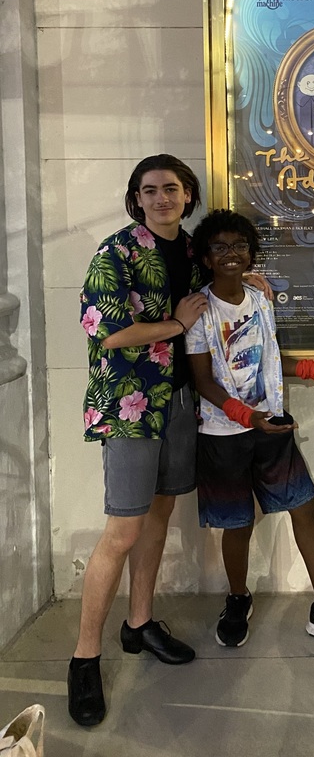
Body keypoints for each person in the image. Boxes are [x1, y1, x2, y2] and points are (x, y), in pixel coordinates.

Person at [185, 209, 314, 649]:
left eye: (240, 245)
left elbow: (272, 362)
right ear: (206, 257)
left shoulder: (259, 299)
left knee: (304, 506)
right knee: (238, 523)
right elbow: (202, 381)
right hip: (223, 435)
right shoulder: (199, 310)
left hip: (270, 425)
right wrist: (245, 417)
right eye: (220, 247)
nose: (232, 254)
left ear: (251, 252)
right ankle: (238, 598)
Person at [69, 155, 208, 727]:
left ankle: (140, 624)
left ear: (187, 193)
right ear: (136, 199)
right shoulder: (116, 252)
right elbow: (106, 333)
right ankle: (84, 659)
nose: (161, 198)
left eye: (170, 188)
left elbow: (212, 296)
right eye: (149, 191)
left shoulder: (194, 251)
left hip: (177, 401)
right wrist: (176, 325)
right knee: (122, 531)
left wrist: (245, 282)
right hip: (130, 406)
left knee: (158, 516)